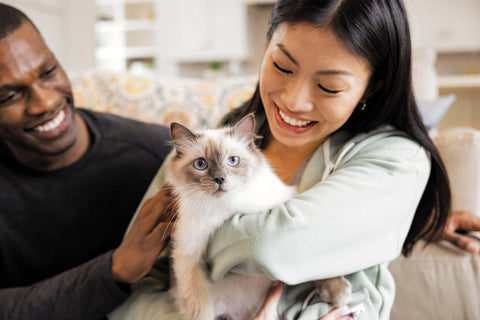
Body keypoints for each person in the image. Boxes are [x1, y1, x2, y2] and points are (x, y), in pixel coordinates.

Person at [111, 0, 451, 319]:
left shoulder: (397, 157)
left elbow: (270, 246)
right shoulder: (218, 135)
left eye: (329, 87)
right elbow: (137, 276)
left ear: (372, 87)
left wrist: (193, 240)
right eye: (282, 66)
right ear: (266, 45)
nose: (294, 101)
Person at [0, 4, 176, 319]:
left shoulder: (159, 159)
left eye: (48, 71)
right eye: (8, 96)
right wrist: (114, 271)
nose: (46, 102)